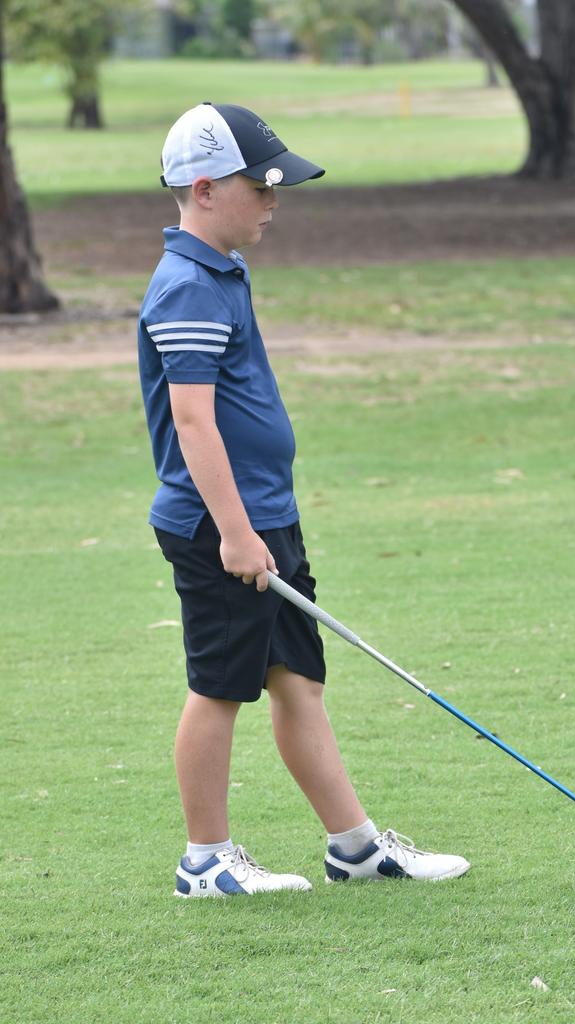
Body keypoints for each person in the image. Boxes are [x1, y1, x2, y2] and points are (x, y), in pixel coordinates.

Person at [138, 102, 470, 897]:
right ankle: (205, 859)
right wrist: (235, 533)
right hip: (221, 527)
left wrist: (259, 525)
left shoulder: (223, 269)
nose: (275, 199)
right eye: (262, 185)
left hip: (262, 519)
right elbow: (193, 420)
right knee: (219, 686)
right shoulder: (185, 285)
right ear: (207, 188)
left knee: (298, 680)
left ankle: (354, 848)